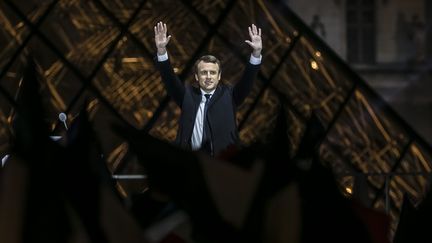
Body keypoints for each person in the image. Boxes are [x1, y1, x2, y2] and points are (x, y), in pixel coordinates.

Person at [154, 21, 262, 156]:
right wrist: (161, 50)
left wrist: (256, 53)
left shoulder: (230, 96)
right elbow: (169, 79)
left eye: (213, 72)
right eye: (204, 73)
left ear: (219, 76)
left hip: (222, 165)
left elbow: (247, 80)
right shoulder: (187, 95)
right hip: (189, 164)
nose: (208, 76)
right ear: (197, 77)